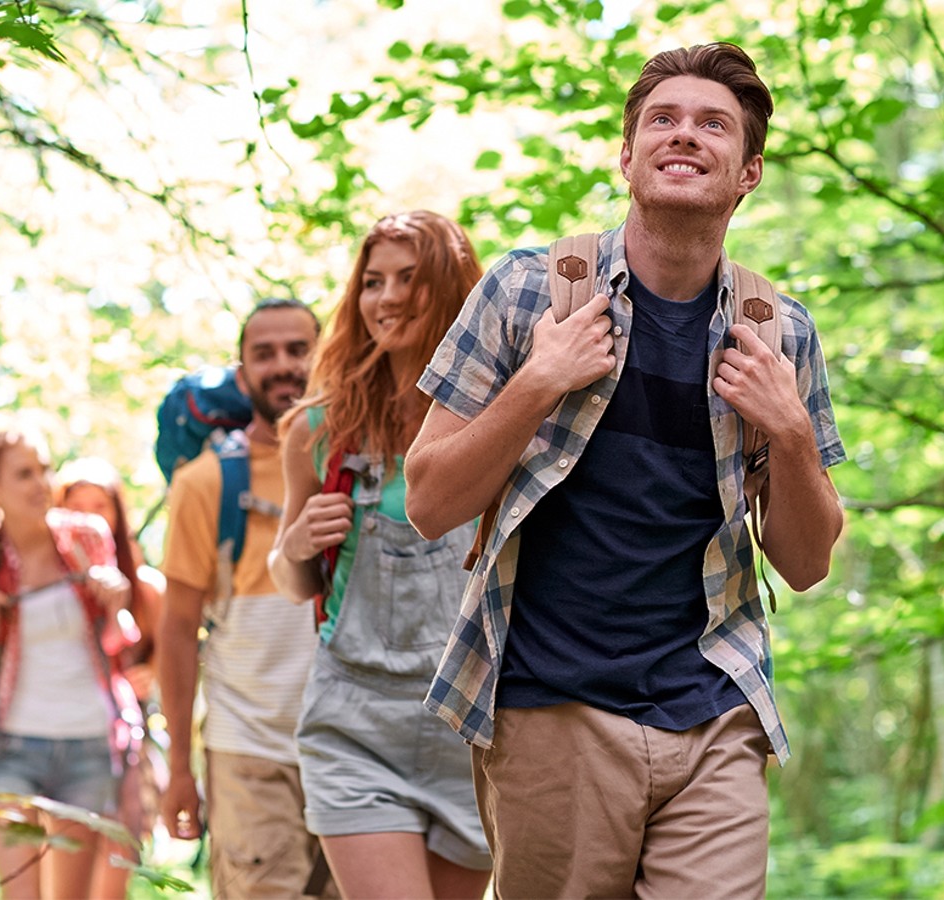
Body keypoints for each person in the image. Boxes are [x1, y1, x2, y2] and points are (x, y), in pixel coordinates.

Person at [404, 43, 847, 898]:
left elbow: (807, 561)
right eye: (663, 120)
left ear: (748, 170)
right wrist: (538, 382)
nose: (684, 136)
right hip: (549, 709)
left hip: (712, 706)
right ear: (626, 155)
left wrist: (789, 430)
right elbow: (429, 503)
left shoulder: (777, 329)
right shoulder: (527, 291)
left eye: (712, 124)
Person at [269, 210, 492, 899]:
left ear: (452, 291)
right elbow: (287, 575)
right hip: (354, 721)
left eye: (409, 279)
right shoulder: (319, 427)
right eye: (371, 282)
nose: (386, 297)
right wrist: (298, 541)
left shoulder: (499, 418)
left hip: (470, 726)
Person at [157, 298, 328, 898]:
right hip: (247, 753)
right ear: (242, 372)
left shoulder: (359, 461)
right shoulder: (204, 482)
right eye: (264, 354)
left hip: (353, 749)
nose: (283, 365)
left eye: (297, 349)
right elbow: (176, 630)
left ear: (325, 354)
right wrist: (179, 770)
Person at [0, 430, 141, 900]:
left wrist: (115, 602)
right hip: (8, 751)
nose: (40, 483)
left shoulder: (87, 538)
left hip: (88, 745)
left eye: (44, 470)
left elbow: (118, 645)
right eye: (24, 473)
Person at [53, 457, 167, 897]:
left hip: (128, 754)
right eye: (75, 506)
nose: (88, 517)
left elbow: (176, 656)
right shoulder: (50, 595)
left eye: (99, 505)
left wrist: (151, 673)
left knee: (112, 870)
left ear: (118, 514)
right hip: (62, 747)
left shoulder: (148, 588)